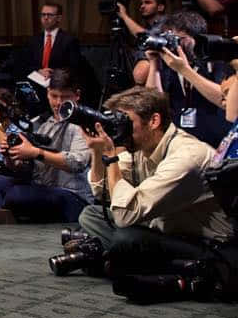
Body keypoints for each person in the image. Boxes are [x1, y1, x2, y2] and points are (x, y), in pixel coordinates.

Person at [73, 87, 232, 282]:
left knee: (126, 239)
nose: (119, 128)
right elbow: (102, 192)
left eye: (125, 121)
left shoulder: (186, 157)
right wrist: (97, 152)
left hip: (205, 244)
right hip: (165, 228)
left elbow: (124, 215)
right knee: (91, 214)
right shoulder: (142, 146)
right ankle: (120, 260)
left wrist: (111, 157)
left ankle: (115, 259)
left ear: (154, 121)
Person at [0, 70, 94, 224]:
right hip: (41, 188)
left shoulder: (84, 124)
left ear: (76, 95)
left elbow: (76, 163)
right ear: (48, 93)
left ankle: (4, 207)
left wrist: (36, 152)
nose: (58, 103)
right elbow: (23, 168)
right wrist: (11, 155)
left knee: (16, 194)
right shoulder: (41, 123)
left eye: (65, 97)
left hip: (72, 196)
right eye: (54, 96)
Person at [145, 11, 230, 147]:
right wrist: (153, 64)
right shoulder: (169, 64)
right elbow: (153, 103)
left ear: (198, 39)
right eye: (170, 39)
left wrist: (184, 70)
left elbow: (225, 99)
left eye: (180, 39)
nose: (175, 45)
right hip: (181, 143)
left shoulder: (218, 62)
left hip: (216, 143)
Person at [116, 0, 168, 85]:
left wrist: (124, 16)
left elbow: (145, 37)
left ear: (160, 7)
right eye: (141, 4)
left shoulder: (167, 23)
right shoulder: (147, 26)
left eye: (148, 3)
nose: (142, 6)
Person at [23, 2, 81, 81]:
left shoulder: (69, 40)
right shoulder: (33, 40)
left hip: (59, 82)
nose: (46, 18)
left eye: (50, 15)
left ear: (59, 18)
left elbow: (74, 67)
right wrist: (39, 71)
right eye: (43, 14)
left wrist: (53, 73)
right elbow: (26, 64)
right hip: (36, 81)